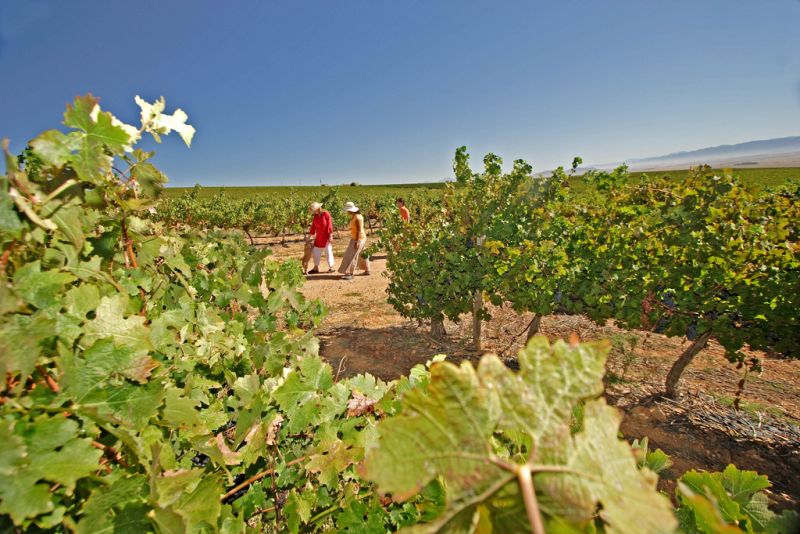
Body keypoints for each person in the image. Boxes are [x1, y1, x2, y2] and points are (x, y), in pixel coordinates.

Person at [338, 201, 370, 280]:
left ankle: (350, 273)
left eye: (348, 210)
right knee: (362, 254)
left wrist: (357, 242)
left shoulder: (357, 218)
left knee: (351, 255)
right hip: (360, 237)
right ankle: (367, 270)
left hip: (358, 238)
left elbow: (359, 230)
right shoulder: (356, 216)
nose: (347, 211)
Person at [308, 202, 334, 274]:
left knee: (328, 251)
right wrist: (310, 235)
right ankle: (315, 268)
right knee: (316, 252)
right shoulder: (315, 216)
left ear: (318, 208)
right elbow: (313, 226)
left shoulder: (326, 214)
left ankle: (331, 267)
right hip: (318, 237)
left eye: (315, 209)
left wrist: (331, 235)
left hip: (326, 237)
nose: (314, 211)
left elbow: (329, 225)